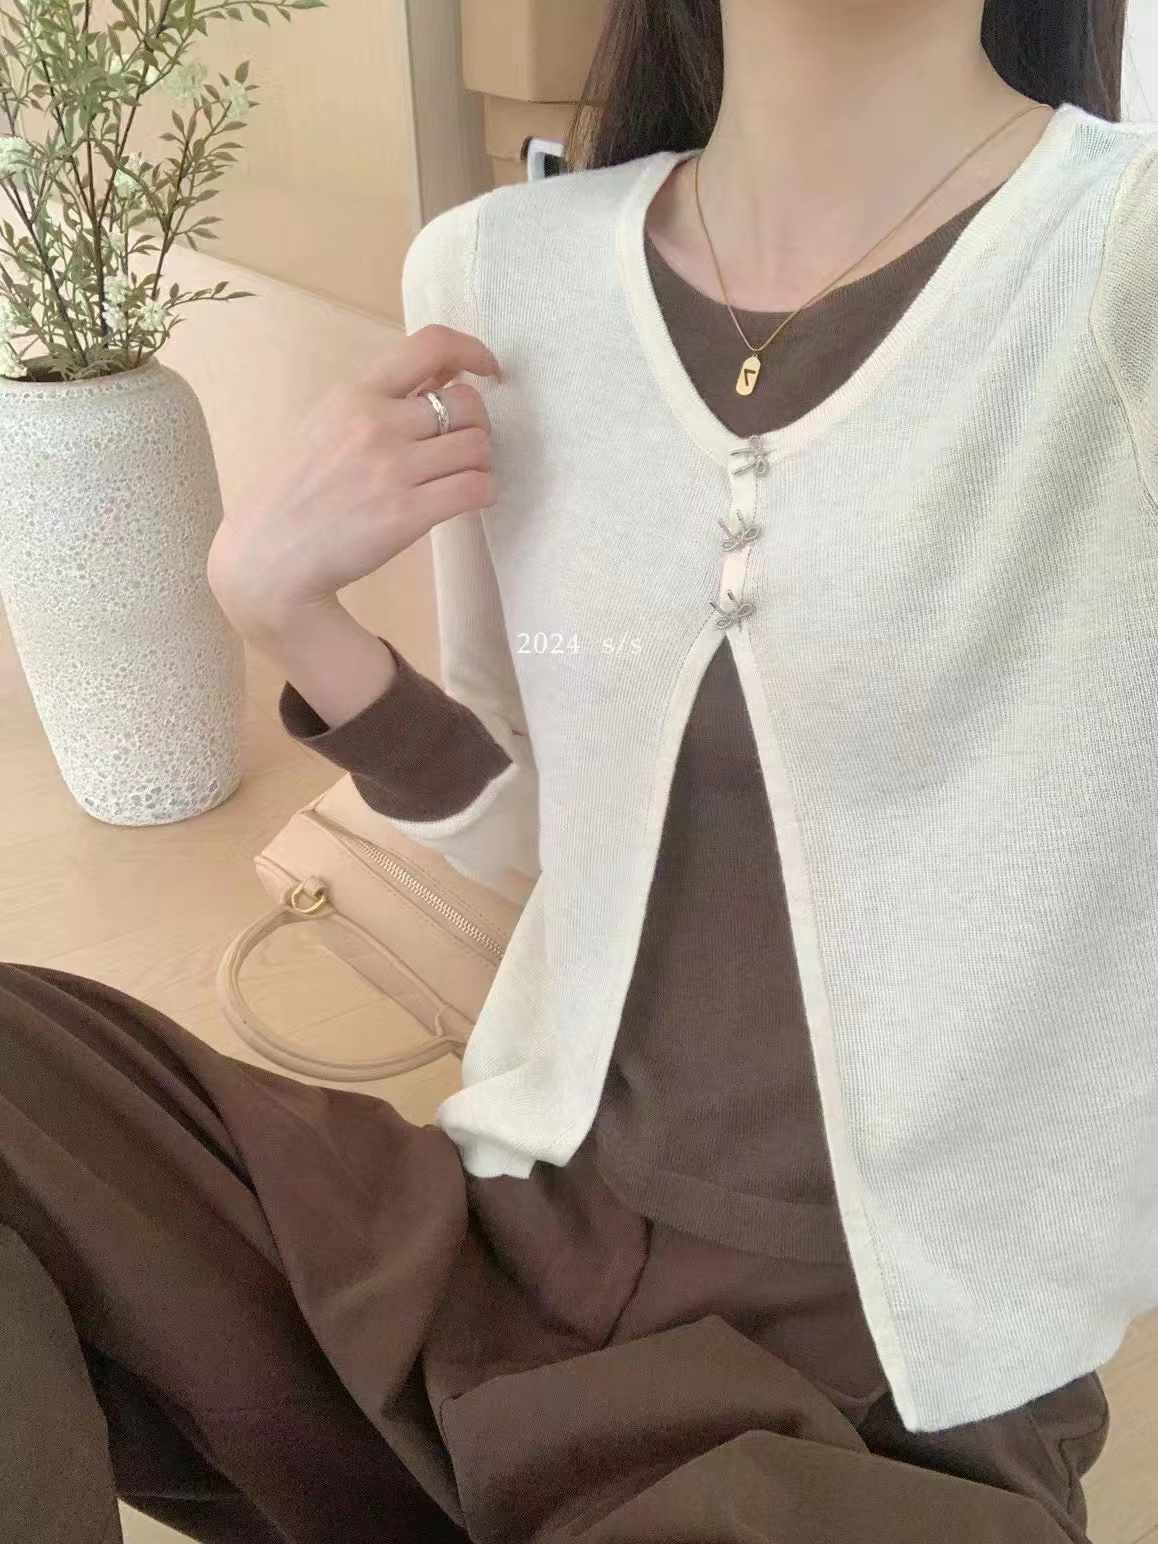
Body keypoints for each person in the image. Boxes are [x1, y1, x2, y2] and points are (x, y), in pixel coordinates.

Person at [5, 0, 1152, 1538]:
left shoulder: (1120, 262)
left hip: (882, 1380)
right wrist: (286, 614)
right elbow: (531, 829)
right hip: (498, 1239)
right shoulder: (495, 274)